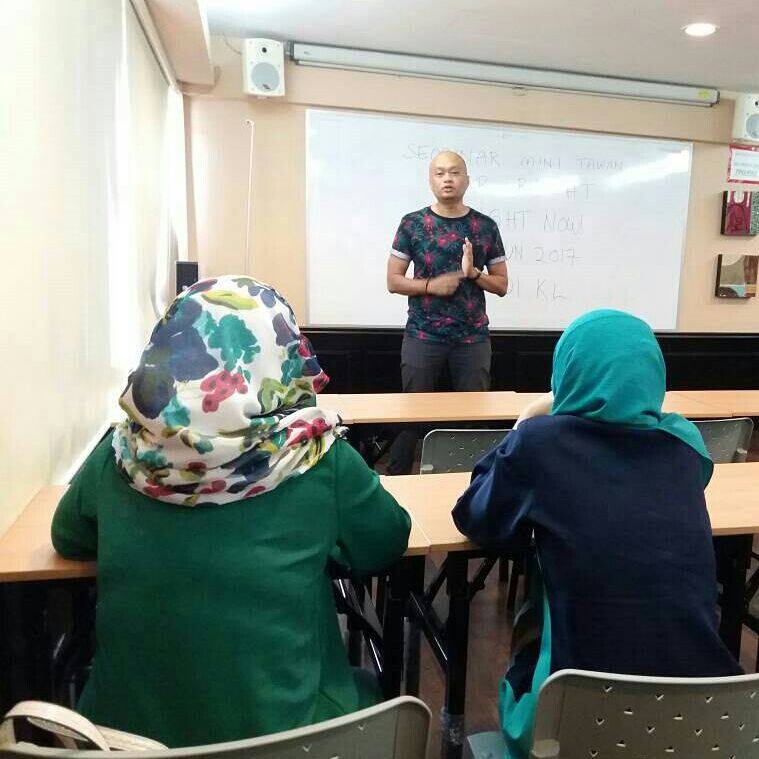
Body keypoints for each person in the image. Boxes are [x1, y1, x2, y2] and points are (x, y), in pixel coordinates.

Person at [51, 275, 411, 747]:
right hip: (283, 739)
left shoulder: (122, 455)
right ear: (283, 356)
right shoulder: (316, 458)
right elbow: (386, 542)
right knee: (364, 687)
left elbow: (68, 537)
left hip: (125, 742)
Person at [452, 309, 741, 759]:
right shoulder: (686, 446)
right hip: (707, 719)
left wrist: (525, 423)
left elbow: (475, 516)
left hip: (573, 720)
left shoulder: (539, 443)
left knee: (535, 622)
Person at [385, 150, 508, 473]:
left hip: (472, 338)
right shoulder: (412, 223)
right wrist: (430, 286)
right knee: (411, 414)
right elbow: (393, 281)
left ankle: (474, 482)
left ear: (467, 180)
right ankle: (397, 481)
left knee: (474, 416)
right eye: (440, 173)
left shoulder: (485, 226)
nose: (447, 179)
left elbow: (501, 285)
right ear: (431, 180)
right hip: (423, 335)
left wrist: (474, 274)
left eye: (454, 172)